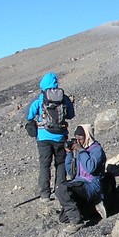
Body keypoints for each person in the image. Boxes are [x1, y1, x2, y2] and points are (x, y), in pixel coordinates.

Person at [26, 72, 75, 200]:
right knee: (61, 163)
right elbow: (70, 114)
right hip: (60, 136)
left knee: (44, 164)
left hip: (43, 137)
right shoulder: (63, 97)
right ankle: (60, 190)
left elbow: (29, 115)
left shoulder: (40, 98)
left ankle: (45, 194)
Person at [55, 125, 109, 231]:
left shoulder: (96, 150)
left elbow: (90, 168)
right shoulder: (81, 150)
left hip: (92, 184)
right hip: (79, 181)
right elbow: (71, 172)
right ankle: (93, 208)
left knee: (63, 189)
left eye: (81, 138)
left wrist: (81, 150)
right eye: (77, 139)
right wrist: (69, 153)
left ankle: (77, 222)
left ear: (87, 136)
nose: (78, 142)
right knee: (63, 218)